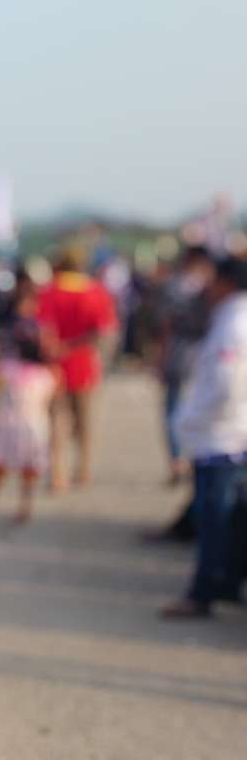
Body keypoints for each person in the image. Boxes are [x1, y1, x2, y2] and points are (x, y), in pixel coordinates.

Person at [161, 256, 247, 619]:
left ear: (227, 282)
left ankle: (203, 594)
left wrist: (193, 420)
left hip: (222, 438)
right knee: (231, 519)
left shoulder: (234, 323)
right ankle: (225, 583)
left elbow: (227, 387)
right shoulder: (232, 318)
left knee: (214, 520)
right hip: (228, 434)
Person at [39, 247, 117, 491]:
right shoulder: (96, 291)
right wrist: (75, 346)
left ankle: (57, 473)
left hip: (56, 363)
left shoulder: (51, 291)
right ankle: (82, 468)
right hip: (83, 361)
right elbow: (103, 331)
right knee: (83, 420)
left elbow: (45, 329)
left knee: (55, 421)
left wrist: (56, 348)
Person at [0, 281, 57, 522]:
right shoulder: (40, 373)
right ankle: (8, 506)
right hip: (25, 424)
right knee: (6, 468)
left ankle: (14, 506)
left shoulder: (20, 369)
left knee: (19, 469)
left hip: (19, 424)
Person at [156, 246, 216, 485]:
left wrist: (161, 356)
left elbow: (166, 325)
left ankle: (177, 461)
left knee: (173, 410)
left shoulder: (174, 285)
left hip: (179, 356)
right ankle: (193, 459)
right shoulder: (212, 287)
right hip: (204, 358)